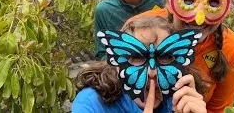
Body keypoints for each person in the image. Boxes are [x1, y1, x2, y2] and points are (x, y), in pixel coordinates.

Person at [124, 0, 234, 113]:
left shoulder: (232, 49)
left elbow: (218, 109)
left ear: (226, 9)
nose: (198, 17)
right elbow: (115, 86)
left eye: (213, 2)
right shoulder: (139, 29)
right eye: (188, 0)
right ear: (170, 2)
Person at [73, 16, 207, 113]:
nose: (152, 72)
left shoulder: (181, 99)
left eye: (165, 57)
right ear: (117, 65)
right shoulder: (91, 103)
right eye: (137, 57)